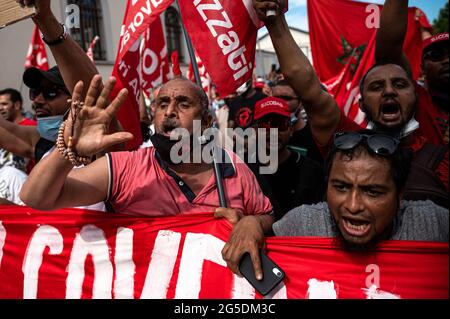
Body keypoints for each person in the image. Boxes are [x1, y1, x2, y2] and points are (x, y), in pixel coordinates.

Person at [20, 75, 275, 280]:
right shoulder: (124, 168)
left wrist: (253, 223)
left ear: (207, 121)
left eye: (184, 104)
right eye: (162, 104)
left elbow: (267, 215)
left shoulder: (233, 168)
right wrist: (69, 149)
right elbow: (35, 198)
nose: (170, 111)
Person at [252, 0, 448, 208]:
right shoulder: (346, 143)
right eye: (376, 86)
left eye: (400, 84)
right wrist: (274, 21)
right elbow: (308, 87)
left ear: (415, 95)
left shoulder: (440, 157)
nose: (389, 91)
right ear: (361, 104)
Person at [272, 131, 448, 245]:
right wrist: (254, 225)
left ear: (400, 195)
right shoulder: (302, 226)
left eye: (372, 192)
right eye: (341, 187)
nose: (353, 206)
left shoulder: (433, 225)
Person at [373, 0, 448, 147]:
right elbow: (388, 50)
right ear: (422, 69)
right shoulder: (413, 99)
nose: (447, 60)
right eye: (436, 55)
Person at [248, 97, 324, 220]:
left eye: (281, 125)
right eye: (265, 124)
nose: (273, 132)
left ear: (291, 130)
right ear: (255, 131)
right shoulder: (244, 169)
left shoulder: (312, 171)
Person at [0, 88, 36, 173]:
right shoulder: (3, 130)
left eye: (4, 104)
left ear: (17, 105)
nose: (0, 108)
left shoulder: (33, 127)